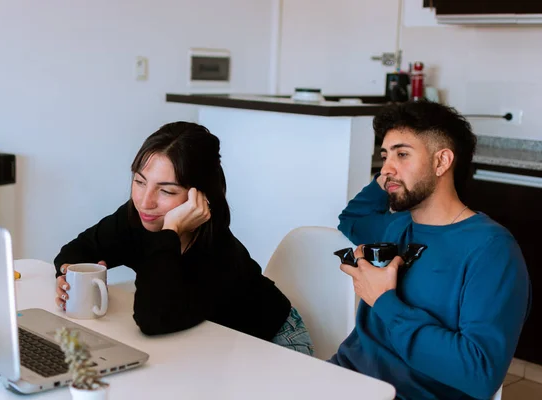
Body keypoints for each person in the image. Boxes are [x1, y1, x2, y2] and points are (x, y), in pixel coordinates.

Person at [53, 121, 314, 356]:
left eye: (166, 190)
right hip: (207, 343)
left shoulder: (219, 254)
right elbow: (77, 249)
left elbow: (151, 320)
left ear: (199, 197)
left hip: (273, 341)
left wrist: (171, 230)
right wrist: (66, 276)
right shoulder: (137, 216)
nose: (145, 201)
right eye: (140, 181)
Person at [330, 101, 530, 399]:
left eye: (402, 154)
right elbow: (352, 220)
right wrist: (391, 176)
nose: (386, 167)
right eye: (384, 156)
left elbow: (480, 374)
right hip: (342, 378)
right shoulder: (395, 227)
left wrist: (383, 300)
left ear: (441, 162)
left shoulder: (492, 251)